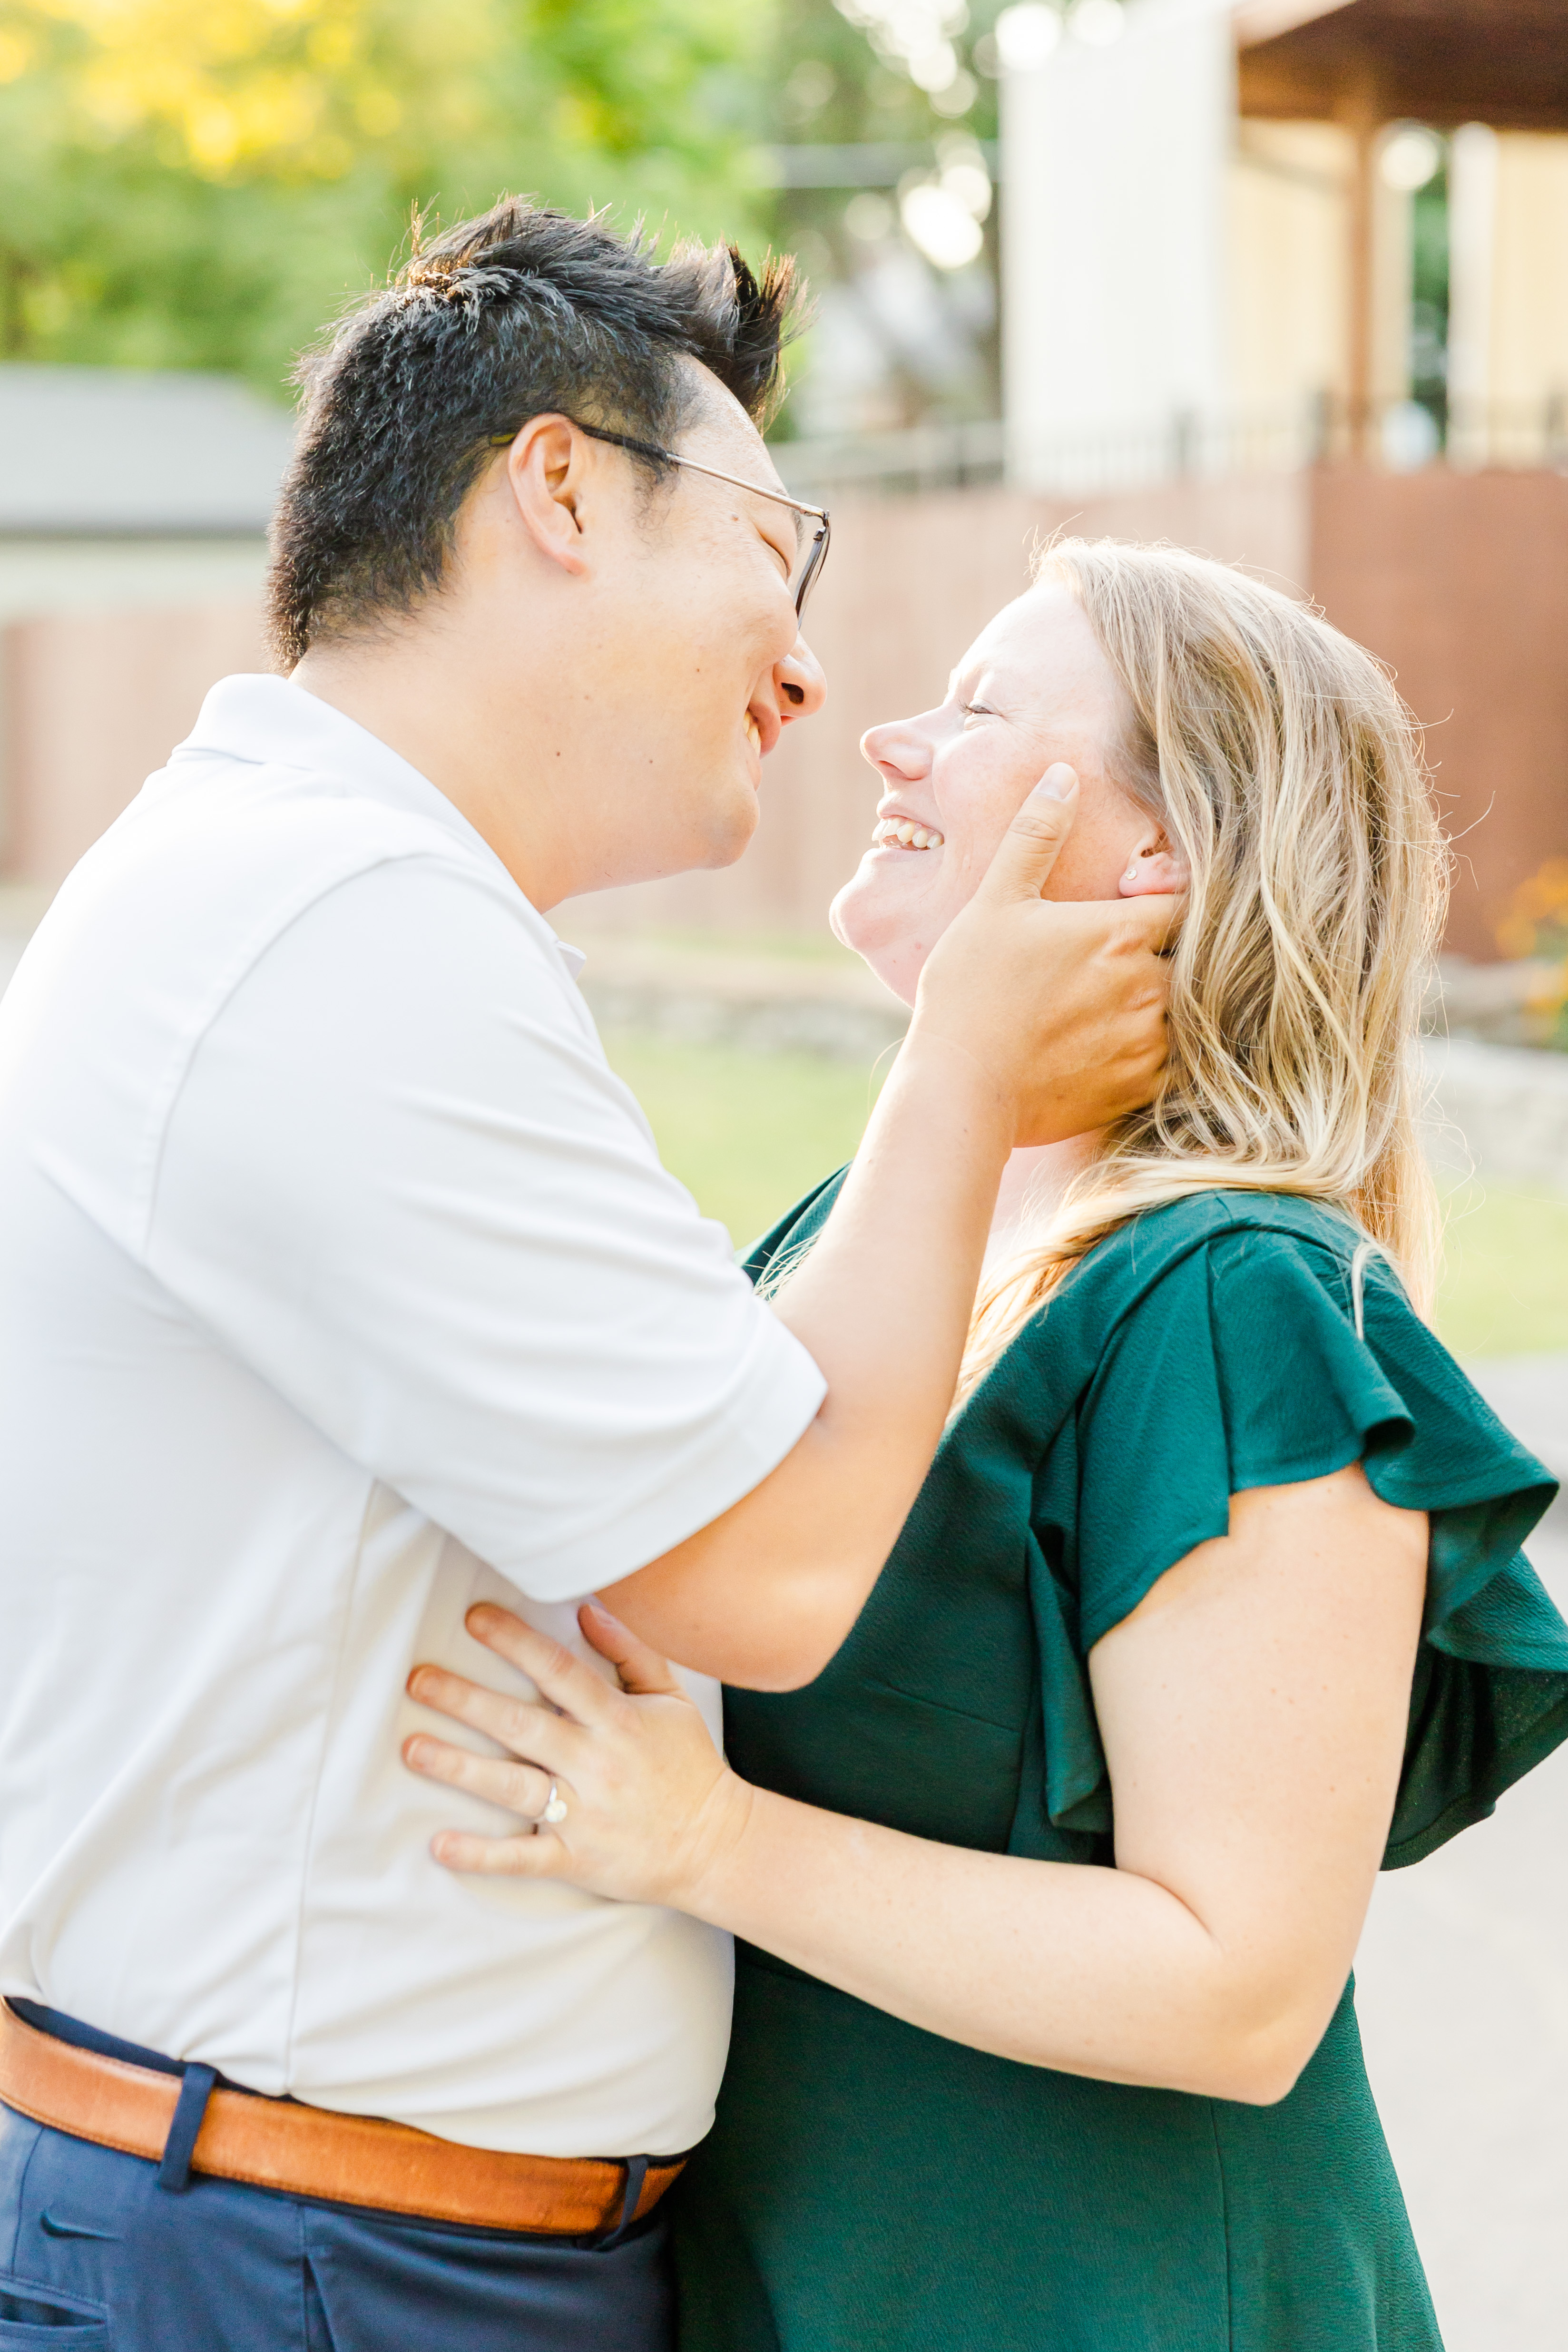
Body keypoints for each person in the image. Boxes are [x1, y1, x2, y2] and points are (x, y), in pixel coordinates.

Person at [0, 215, 1174, 2350]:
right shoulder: (328, 931)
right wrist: (959, 1078)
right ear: (554, 488)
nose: (811, 668)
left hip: (341, 2237)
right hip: (313, 2256)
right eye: (775, 548)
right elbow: (765, 1572)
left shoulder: (342, 903)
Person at [402, 539, 1568, 2352]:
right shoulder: (850, 1240)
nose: (883, 740)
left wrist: (706, 1842)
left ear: (1161, 853)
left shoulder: (1235, 1303)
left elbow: (1239, 1986)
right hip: (810, 2278)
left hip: (1113, 2299)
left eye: (979, 710)